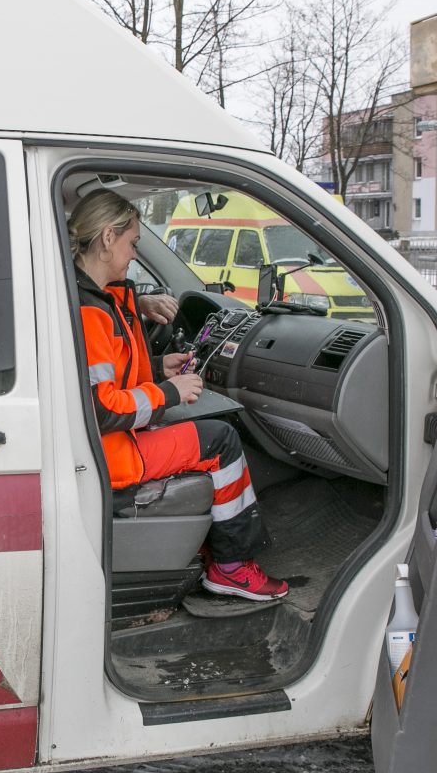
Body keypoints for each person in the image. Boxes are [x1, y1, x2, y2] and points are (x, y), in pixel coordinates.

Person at [69, 189, 287, 601]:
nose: (134, 255)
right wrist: (169, 392)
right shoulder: (91, 311)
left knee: (209, 429)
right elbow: (101, 409)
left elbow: (102, 379)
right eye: (133, 243)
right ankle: (232, 568)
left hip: (110, 444)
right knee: (222, 441)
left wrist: (157, 370)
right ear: (108, 237)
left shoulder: (89, 297)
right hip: (113, 455)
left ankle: (215, 548)